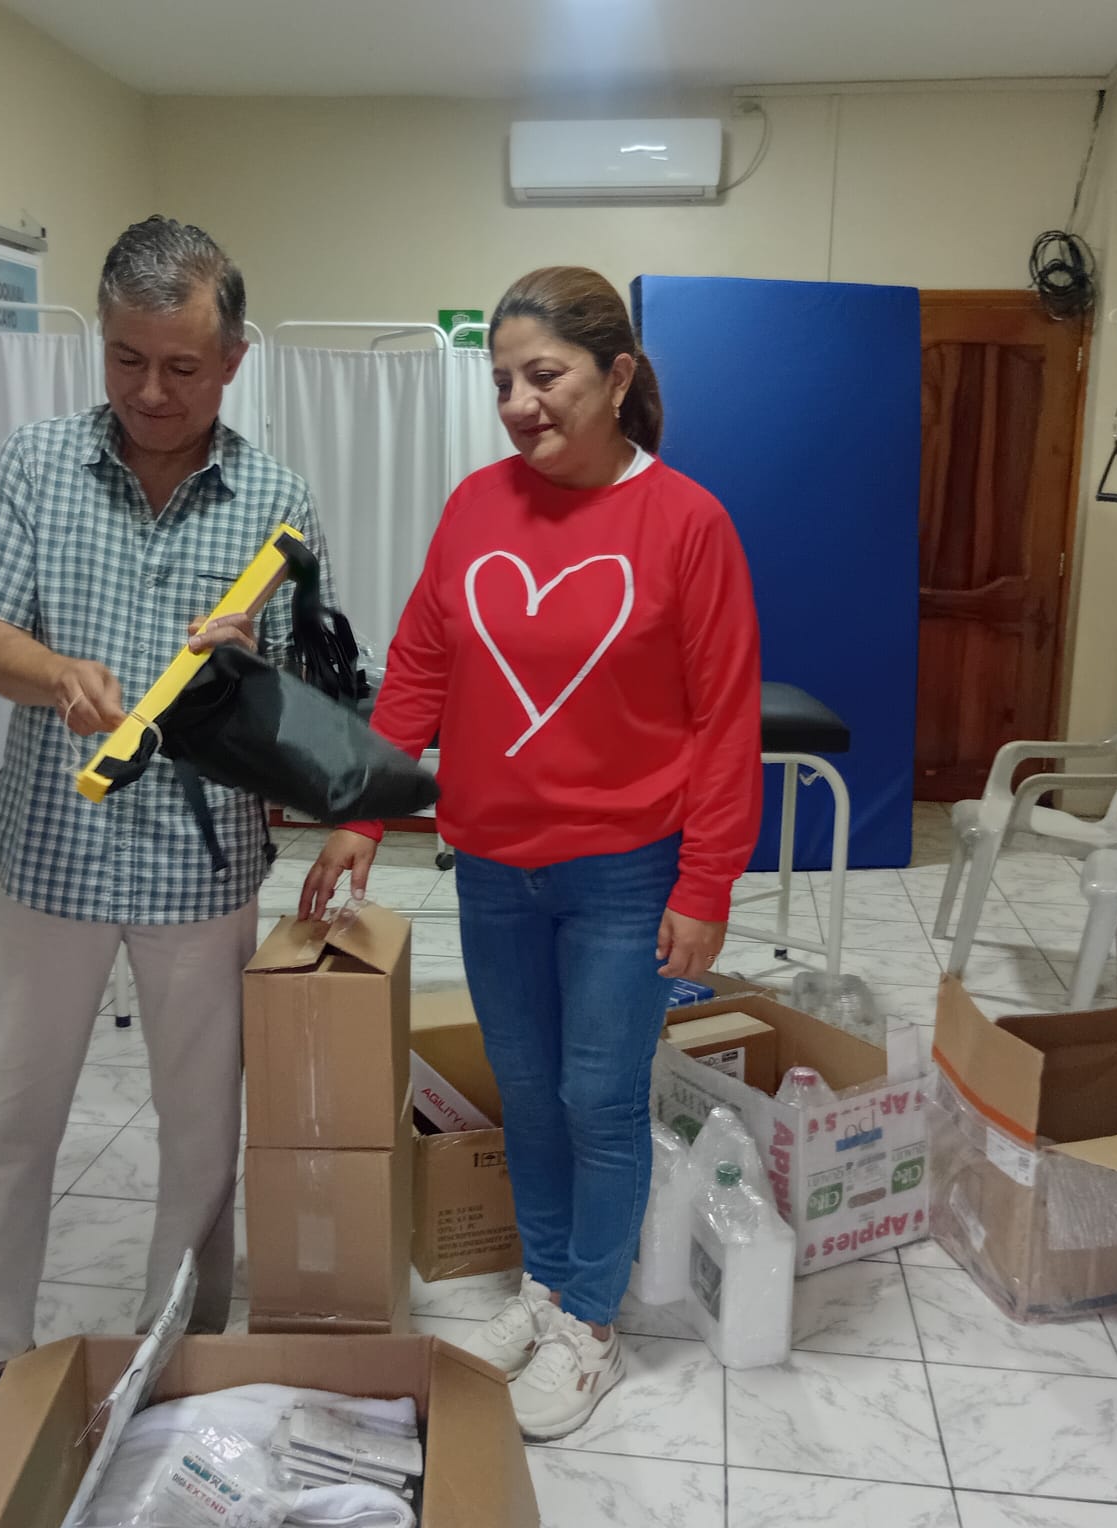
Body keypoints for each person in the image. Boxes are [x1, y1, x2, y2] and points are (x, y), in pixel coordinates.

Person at [0, 216, 336, 1437]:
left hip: (201, 863)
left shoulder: (277, 499)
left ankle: (180, 1345)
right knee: (8, 1108)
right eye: (127, 359)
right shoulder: (37, 462)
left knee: (201, 1132)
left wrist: (249, 681)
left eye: (181, 365)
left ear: (233, 359)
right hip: (49, 852)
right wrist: (55, 670)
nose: (151, 391)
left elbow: (305, 704)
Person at [300, 266, 761, 1440]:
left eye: (543, 376)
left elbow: (724, 721)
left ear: (617, 375)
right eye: (502, 380)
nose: (517, 403)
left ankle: (590, 1323)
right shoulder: (475, 506)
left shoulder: (687, 522)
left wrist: (705, 882)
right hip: (495, 863)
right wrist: (361, 813)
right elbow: (418, 669)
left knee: (597, 1095)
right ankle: (547, 1288)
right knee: (530, 1093)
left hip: (625, 869)